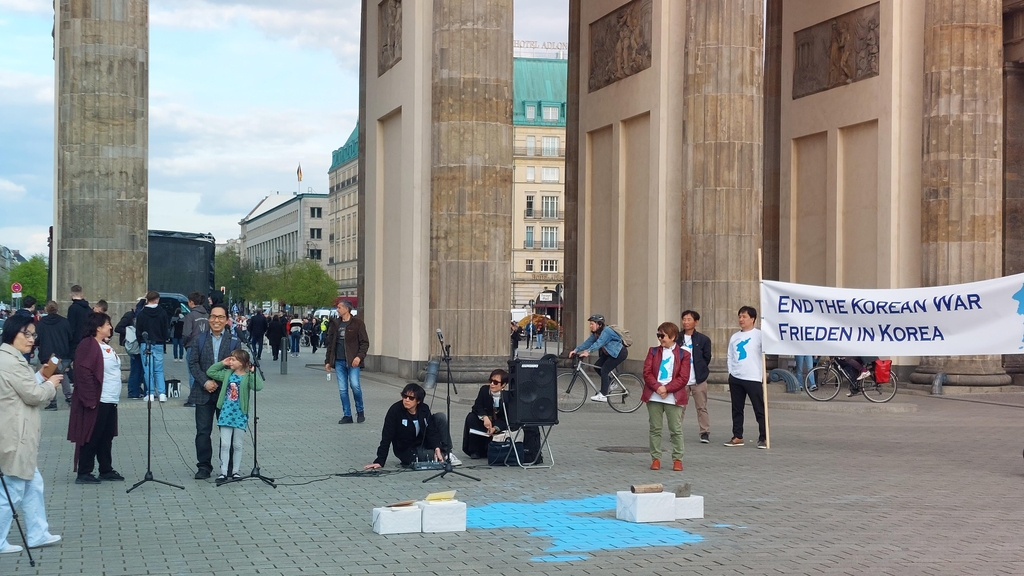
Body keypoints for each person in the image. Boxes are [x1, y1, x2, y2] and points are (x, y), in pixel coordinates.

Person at [0, 313, 64, 554]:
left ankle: (38, 532)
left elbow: (24, 386)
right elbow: (33, 395)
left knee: (32, 484)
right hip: (15, 433)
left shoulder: (13, 359)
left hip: (19, 432)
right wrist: (50, 385)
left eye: (32, 334)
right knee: (13, 488)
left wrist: (41, 376)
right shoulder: (9, 361)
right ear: (12, 333)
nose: (30, 339)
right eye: (25, 333)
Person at [67, 312, 124, 484]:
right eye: (107, 324)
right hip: (97, 399)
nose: (110, 327)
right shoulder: (88, 345)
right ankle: (84, 471)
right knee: (91, 435)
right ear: (98, 328)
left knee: (106, 436)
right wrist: (90, 399)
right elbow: (83, 373)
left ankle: (106, 469)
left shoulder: (104, 345)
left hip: (110, 399)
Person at [187, 304, 241, 480]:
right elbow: (193, 364)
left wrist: (222, 382)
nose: (216, 320)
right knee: (203, 431)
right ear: (209, 319)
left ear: (226, 320)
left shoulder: (234, 341)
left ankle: (228, 467)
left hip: (226, 393)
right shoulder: (199, 339)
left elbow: (236, 366)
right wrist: (205, 381)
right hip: (203, 392)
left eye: (220, 317)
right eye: (213, 317)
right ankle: (204, 466)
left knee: (228, 431)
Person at [364, 383, 458, 468]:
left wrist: (437, 447)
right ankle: (443, 456)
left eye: (411, 398)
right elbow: (386, 436)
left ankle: (447, 454)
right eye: (404, 396)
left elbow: (431, 430)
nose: (406, 400)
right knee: (428, 456)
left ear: (418, 401)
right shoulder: (395, 411)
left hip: (424, 443)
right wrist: (380, 460)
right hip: (407, 449)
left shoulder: (424, 409)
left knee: (440, 417)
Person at [206, 350, 264, 485]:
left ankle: (235, 471)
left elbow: (259, 387)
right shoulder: (227, 374)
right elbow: (211, 372)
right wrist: (222, 363)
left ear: (243, 362)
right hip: (226, 413)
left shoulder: (248, 376)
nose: (231, 362)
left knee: (237, 445)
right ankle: (223, 472)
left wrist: (253, 372)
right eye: (230, 359)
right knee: (225, 444)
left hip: (240, 414)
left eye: (234, 360)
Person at [642, 322, 690, 471]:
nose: (660, 338)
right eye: (658, 335)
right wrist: (657, 387)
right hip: (654, 396)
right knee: (655, 429)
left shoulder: (684, 354)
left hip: (673, 396)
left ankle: (677, 459)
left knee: (675, 429)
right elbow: (647, 372)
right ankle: (655, 458)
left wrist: (667, 389)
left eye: (662, 335)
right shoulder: (653, 352)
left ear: (673, 336)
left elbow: (683, 377)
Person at [725, 306, 767, 449]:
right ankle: (737, 436)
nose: (741, 319)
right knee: (737, 408)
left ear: (752, 319)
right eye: (740, 316)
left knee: (759, 408)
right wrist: (731, 371)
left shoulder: (759, 335)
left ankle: (764, 437)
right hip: (736, 376)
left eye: (744, 316)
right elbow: (730, 355)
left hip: (753, 376)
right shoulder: (735, 337)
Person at [325, 300, 370, 424]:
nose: (337, 310)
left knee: (355, 386)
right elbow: (331, 344)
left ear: (347, 309)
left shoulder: (358, 323)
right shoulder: (335, 324)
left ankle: (360, 411)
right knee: (342, 389)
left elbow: (364, 343)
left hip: (353, 361)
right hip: (339, 361)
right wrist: (328, 361)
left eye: (339, 307)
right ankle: (347, 415)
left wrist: (359, 357)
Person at [569, 313, 627, 402]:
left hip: (618, 353)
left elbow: (599, 343)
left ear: (599, 324)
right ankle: (612, 383)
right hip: (609, 354)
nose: (590, 326)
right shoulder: (595, 334)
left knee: (604, 369)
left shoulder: (606, 331)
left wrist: (588, 352)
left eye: (592, 324)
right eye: (590, 324)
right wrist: (576, 350)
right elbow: (588, 343)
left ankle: (603, 395)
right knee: (597, 367)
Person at [676, 310, 713, 443]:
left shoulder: (703, 339)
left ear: (696, 322)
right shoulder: (677, 338)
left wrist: (701, 370)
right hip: (681, 379)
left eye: (689, 319)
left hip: (698, 379)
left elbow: (707, 357)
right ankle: (676, 431)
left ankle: (704, 432)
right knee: (679, 406)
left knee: (701, 407)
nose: (686, 322)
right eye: (684, 319)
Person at [36, 301, 74, 410]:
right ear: (57, 309)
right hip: (62, 352)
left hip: (47, 353)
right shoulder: (64, 322)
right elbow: (70, 337)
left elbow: (37, 338)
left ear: (46, 309)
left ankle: (53, 401)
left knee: (49, 375)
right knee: (63, 374)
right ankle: (69, 396)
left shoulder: (42, 323)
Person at [134, 291, 169, 402]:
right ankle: (162, 393)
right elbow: (166, 330)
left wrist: (141, 342)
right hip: (158, 343)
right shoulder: (162, 312)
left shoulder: (142, 314)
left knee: (148, 370)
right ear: (157, 299)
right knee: (158, 370)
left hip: (146, 344)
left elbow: (138, 331)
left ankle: (150, 394)